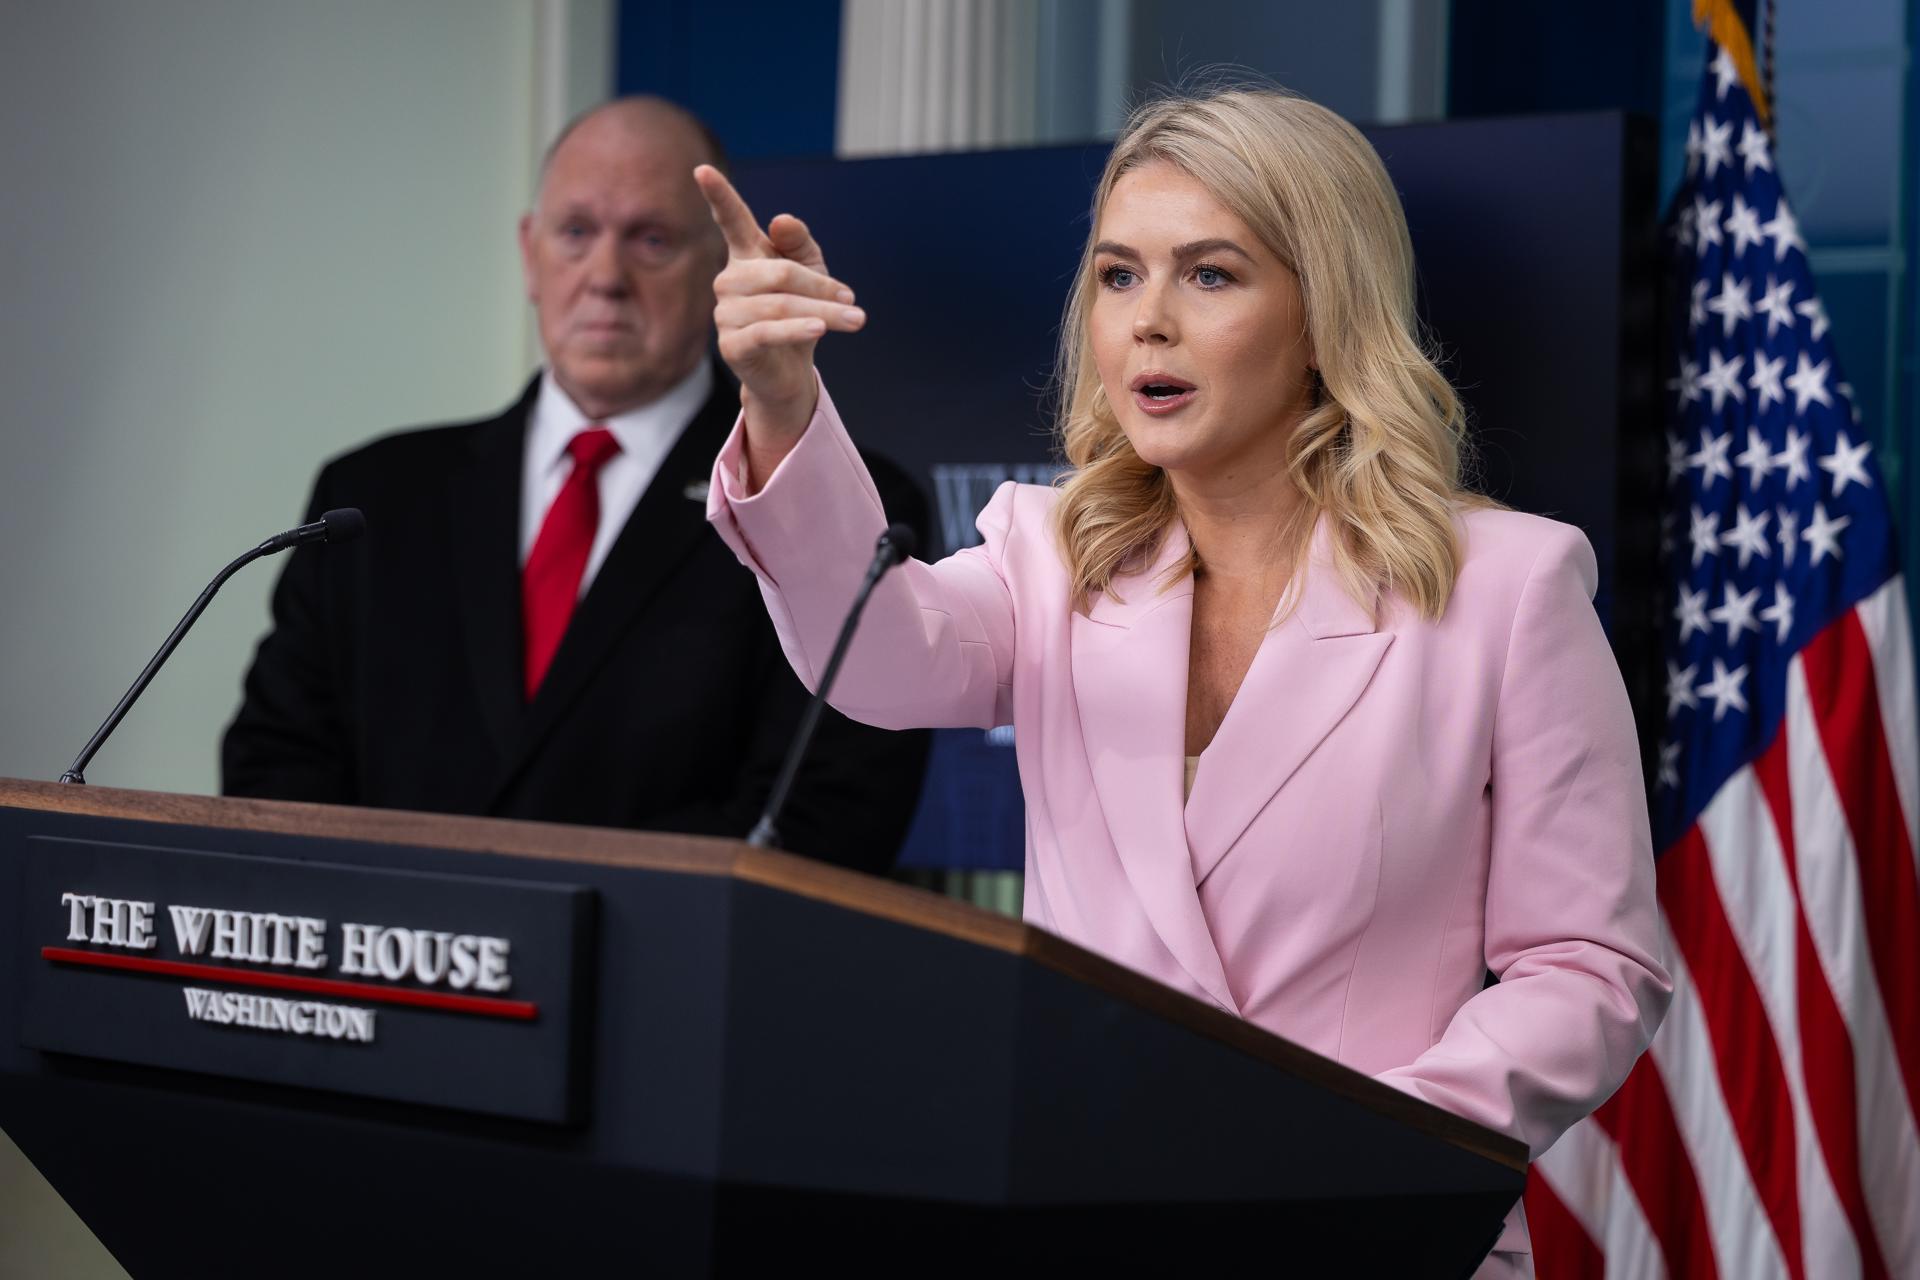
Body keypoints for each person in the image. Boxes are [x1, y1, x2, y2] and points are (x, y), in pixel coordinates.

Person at [696, 88, 1671, 1275]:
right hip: (1086, 1226)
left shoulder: (1505, 585)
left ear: (1324, 313)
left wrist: (1376, 1141)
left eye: (1210, 274)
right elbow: (880, 662)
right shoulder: (1047, 556)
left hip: (1366, 1229)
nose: (1149, 321)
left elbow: (1591, 966)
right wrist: (782, 396)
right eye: (1119, 275)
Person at [221, 98, 930, 874]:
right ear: (530, 254)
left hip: (671, 952)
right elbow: (275, 771)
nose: (606, 278)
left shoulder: (825, 502)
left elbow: (825, 818)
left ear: (720, 269)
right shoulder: (370, 498)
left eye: (651, 240)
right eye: (576, 233)